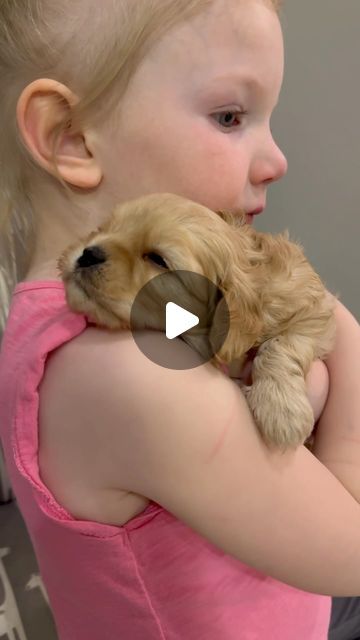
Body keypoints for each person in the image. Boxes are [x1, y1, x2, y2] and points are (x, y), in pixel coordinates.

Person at [0, 0, 359, 638]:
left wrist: (295, 375)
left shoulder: (77, 320)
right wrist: (343, 332)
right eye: (230, 116)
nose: (276, 159)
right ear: (70, 136)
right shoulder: (135, 378)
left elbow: (238, 366)